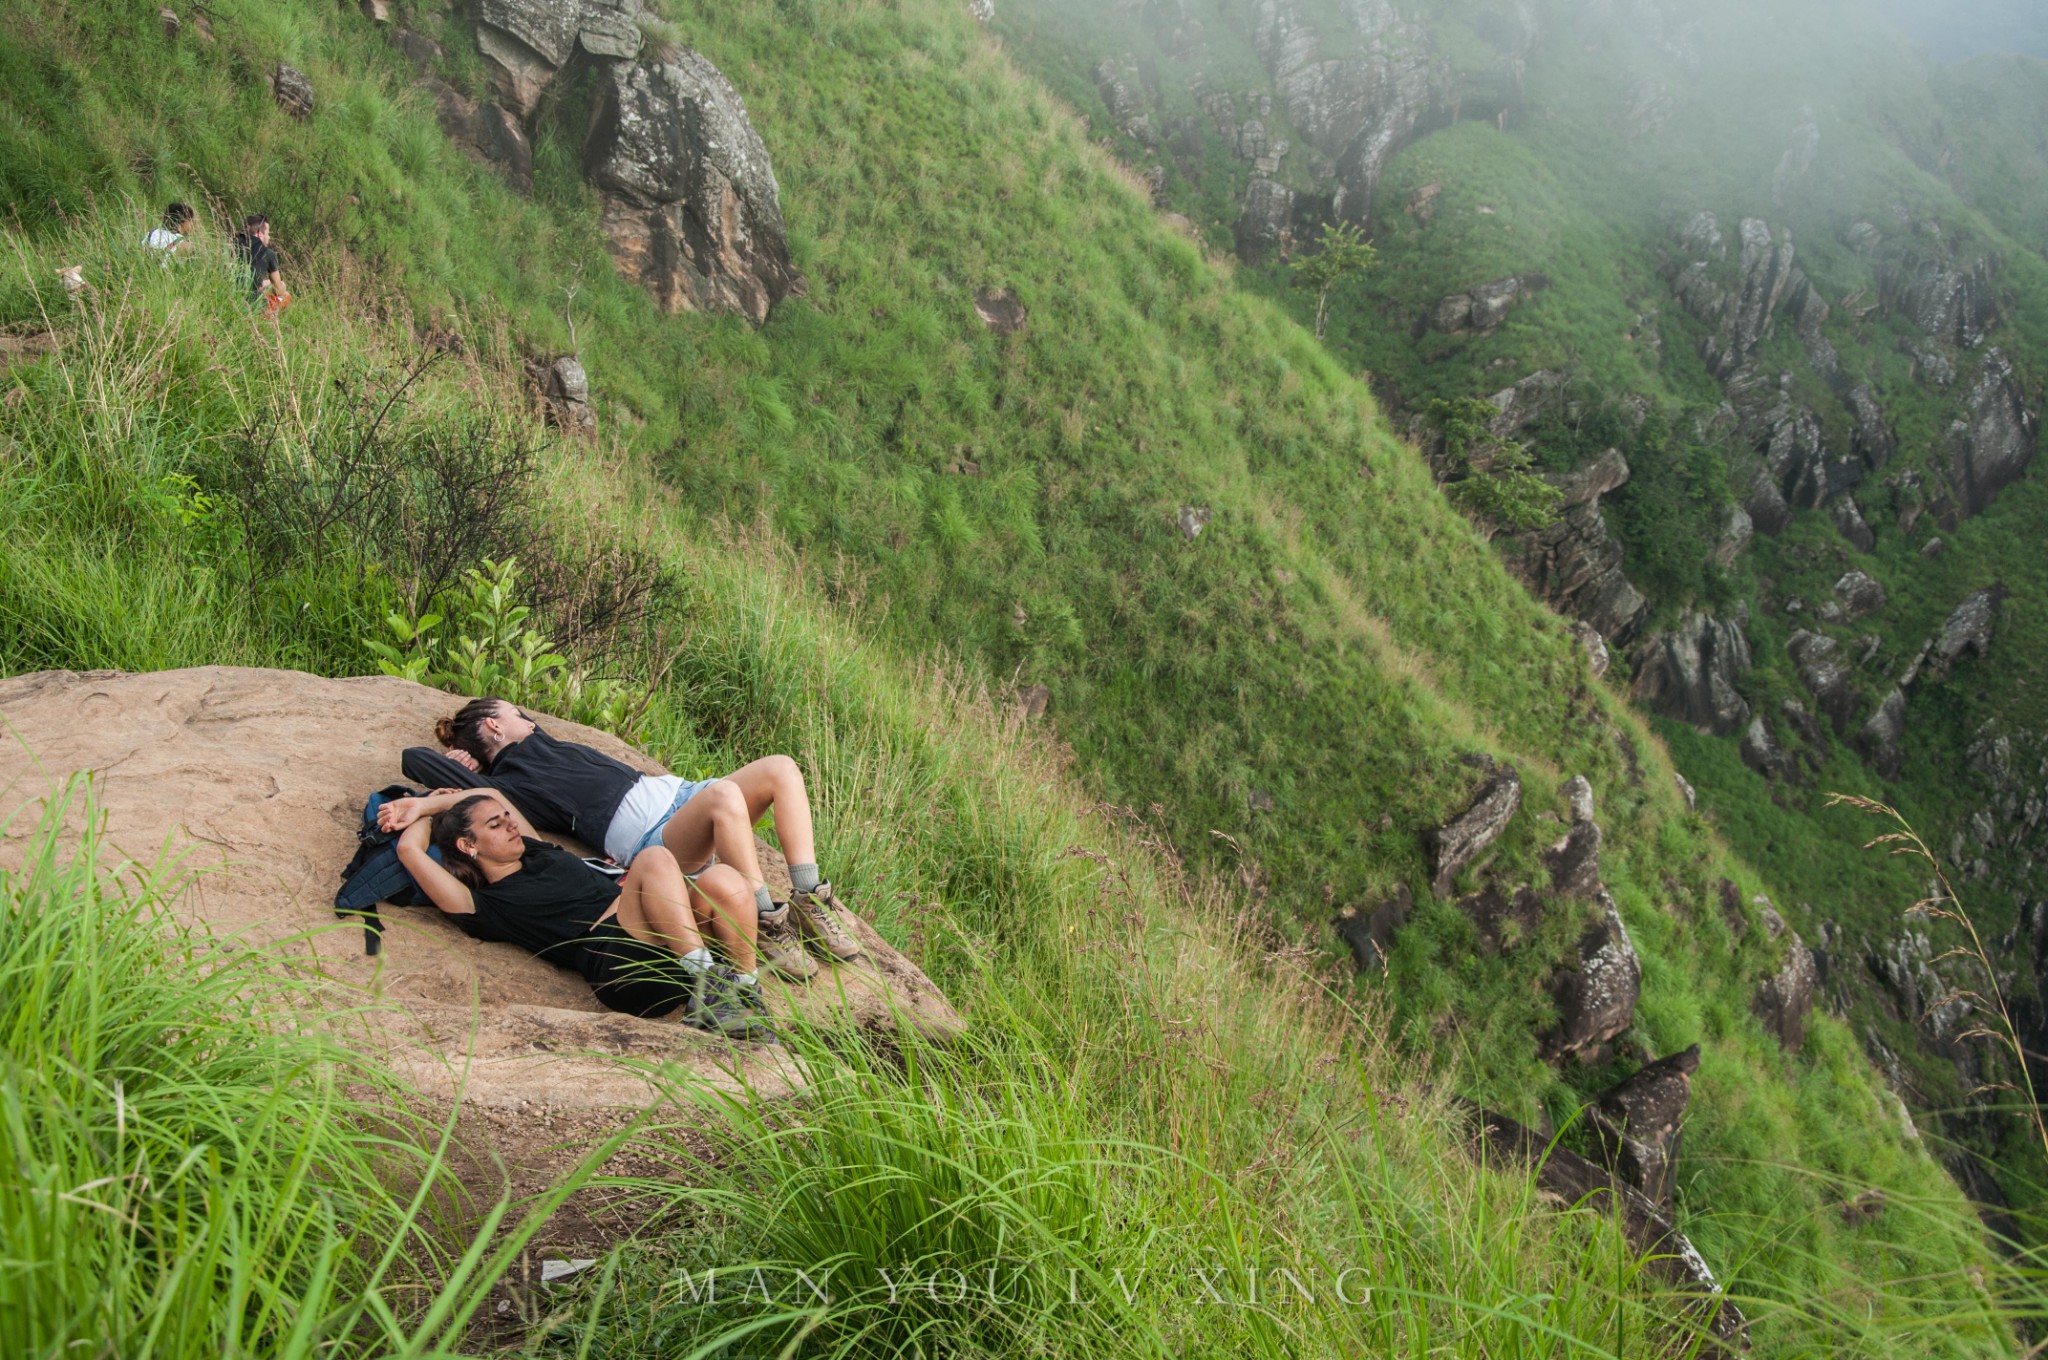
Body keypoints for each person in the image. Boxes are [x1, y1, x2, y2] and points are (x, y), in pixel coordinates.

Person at [402, 698, 864, 976]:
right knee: (726, 797)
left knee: (781, 767)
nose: (530, 718)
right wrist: (457, 763)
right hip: (658, 836)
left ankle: (810, 899)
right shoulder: (512, 784)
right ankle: (766, 919)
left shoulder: (545, 743)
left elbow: (526, 733)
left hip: (686, 794)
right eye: (518, 713)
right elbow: (415, 759)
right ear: (495, 726)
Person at [382, 787, 775, 1039]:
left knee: (724, 878)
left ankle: (743, 988)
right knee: (655, 858)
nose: (510, 825)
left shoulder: (535, 850)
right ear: (469, 846)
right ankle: (709, 982)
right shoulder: (483, 903)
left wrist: (429, 800)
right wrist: (426, 816)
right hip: (619, 965)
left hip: (664, 940)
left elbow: (489, 791)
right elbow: (409, 851)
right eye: (495, 825)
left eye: (507, 818)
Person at [233, 213, 288, 313]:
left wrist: (266, 283)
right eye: (268, 234)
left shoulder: (232, 244)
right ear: (260, 233)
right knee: (285, 297)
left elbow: (245, 280)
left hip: (230, 298)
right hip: (254, 306)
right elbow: (278, 290)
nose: (269, 237)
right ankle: (270, 322)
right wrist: (282, 285)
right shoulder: (268, 253)